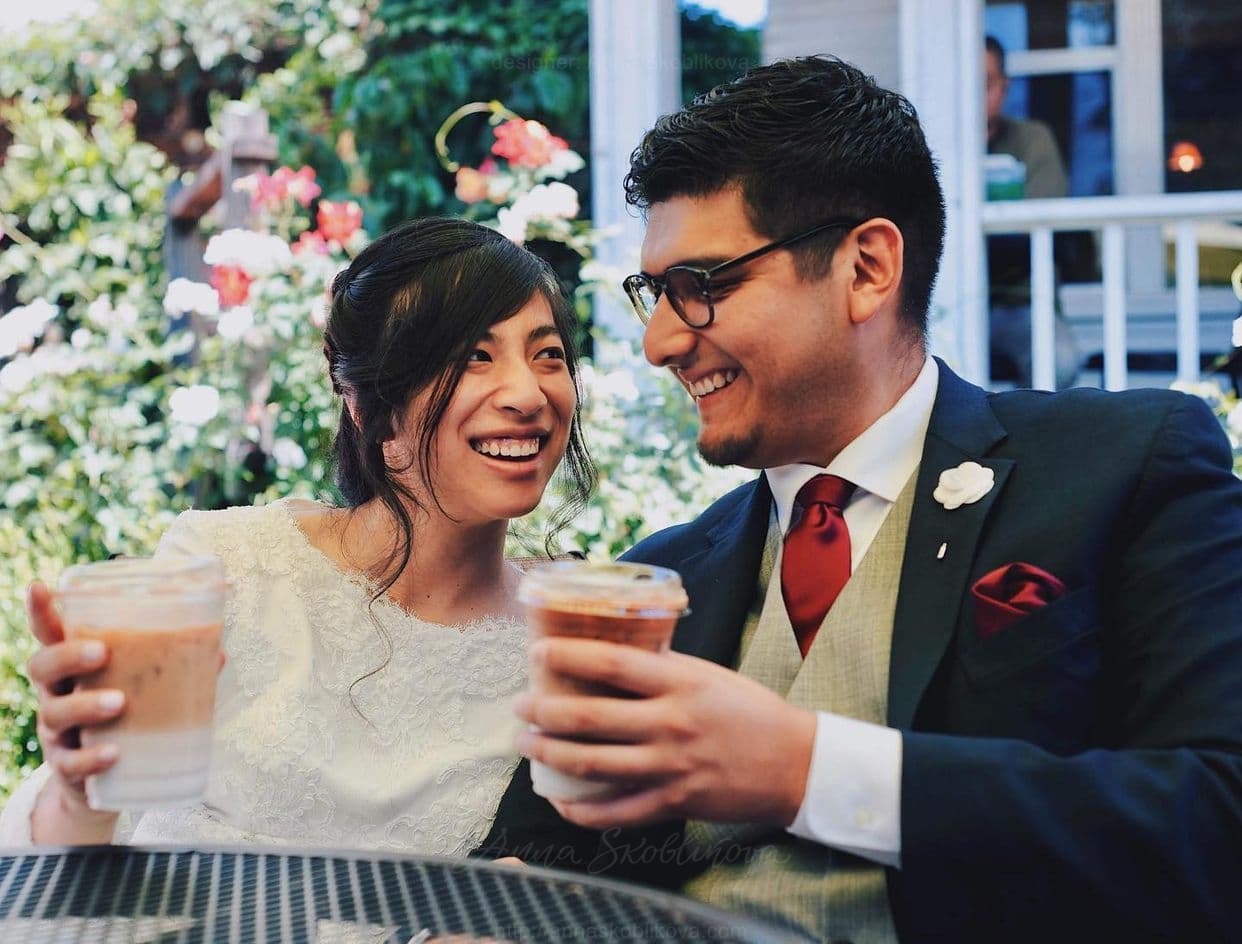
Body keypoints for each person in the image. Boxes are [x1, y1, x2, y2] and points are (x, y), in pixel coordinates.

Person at [481, 55, 1242, 942]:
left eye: (702, 287)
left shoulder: (1125, 465)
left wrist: (805, 770)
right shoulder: (661, 577)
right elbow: (525, 860)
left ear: (868, 268)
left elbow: (1218, 821)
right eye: (655, 294)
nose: (658, 343)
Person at [0, 217, 595, 853]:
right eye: (475, 356)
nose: (528, 394)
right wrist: (80, 789)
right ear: (367, 404)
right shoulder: (226, 567)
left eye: (548, 355)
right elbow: (88, 835)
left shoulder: (576, 635)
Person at [984, 33, 1082, 389]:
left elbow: (1041, 228)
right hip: (943, 301)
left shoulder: (1032, 139)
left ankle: (1022, 427)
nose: (973, 95)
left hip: (1021, 302)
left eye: (984, 83)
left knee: (1059, 361)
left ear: (1003, 88)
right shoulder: (933, 142)